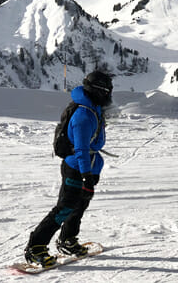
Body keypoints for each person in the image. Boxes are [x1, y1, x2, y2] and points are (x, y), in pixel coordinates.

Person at [24, 70, 113, 267]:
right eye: (107, 90)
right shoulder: (83, 115)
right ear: (99, 91)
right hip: (77, 168)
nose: (109, 94)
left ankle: (67, 240)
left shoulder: (93, 108)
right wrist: (86, 176)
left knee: (79, 205)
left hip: (87, 166)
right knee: (65, 207)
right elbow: (81, 149)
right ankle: (35, 247)